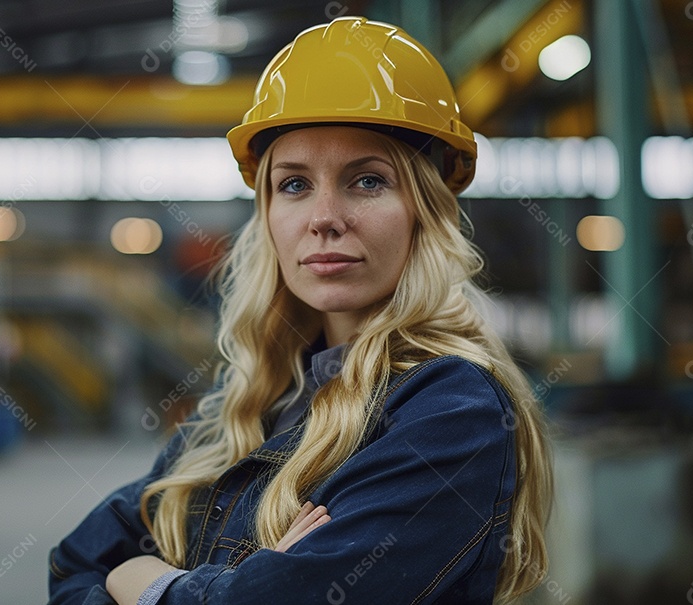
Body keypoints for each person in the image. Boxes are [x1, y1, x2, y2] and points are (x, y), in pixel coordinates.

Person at [48, 16, 552, 605]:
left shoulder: (452, 410)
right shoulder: (247, 407)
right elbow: (74, 565)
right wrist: (228, 587)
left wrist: (146, 581)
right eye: (293, 185)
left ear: (426, 209)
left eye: (366, 181)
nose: (324, 217)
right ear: (266, 215)